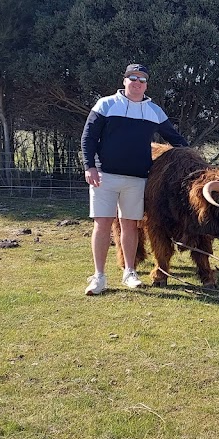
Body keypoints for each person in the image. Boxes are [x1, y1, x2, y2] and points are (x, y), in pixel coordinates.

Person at [80, 63, 188, 296]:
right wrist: (89, 166)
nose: (137, 83)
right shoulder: (106, 104)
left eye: (142, 79)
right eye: (133, 78)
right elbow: (88, 136)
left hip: (138, 179)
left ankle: (130, 272)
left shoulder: (154, 111)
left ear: (146, 84)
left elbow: (174, 138)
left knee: (130, 225)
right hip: (104, 176)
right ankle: (98, 277)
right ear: (124, 80)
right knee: (102, 224)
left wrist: (194, 160)